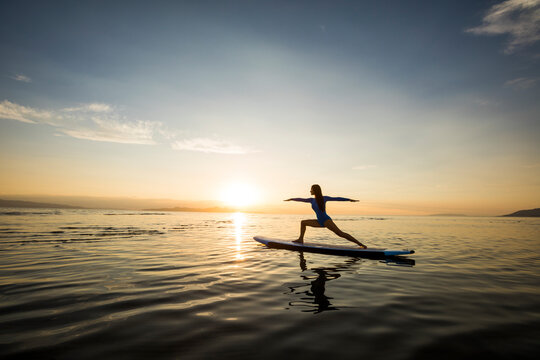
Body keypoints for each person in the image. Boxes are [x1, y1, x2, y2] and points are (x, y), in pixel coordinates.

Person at [284, 184, 367, 248]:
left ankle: (360, 244)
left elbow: (337, 198)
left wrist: (349, 200)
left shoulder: (324, 198)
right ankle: (300, 239)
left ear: (315, 190)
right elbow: (301, 199)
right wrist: (291, 199)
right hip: (319, 222)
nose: (310, 191)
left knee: (340, 234)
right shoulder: (311, 200)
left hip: (326, 220)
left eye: (311, 189)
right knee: (303, 222)